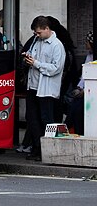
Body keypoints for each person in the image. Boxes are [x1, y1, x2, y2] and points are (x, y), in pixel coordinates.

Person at [23, 15, 66, 161]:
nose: (37, 35)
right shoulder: (37, 41)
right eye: (35, 33)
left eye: (39, 32)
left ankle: (47, 150)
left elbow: (56, 68)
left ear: (47, 29)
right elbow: (34, 57)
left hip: (46, 89)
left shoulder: (56, 45)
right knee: (32, 118)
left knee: (46, 119)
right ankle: (36, 147)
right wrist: (28, 57)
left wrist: (36, 63)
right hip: (33, 85)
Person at [65, 31, 93, 135]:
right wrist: (79, 87)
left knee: (77, 110)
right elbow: (84, 76)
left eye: (87, 42)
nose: (86, 44)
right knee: (74, 109)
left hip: (90, 93)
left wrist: (85, 91)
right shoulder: (89, 56)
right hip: (84, 91)